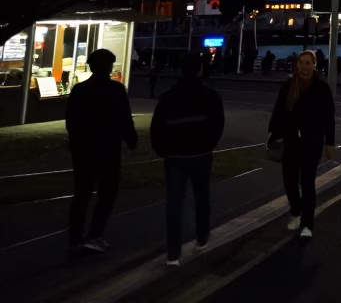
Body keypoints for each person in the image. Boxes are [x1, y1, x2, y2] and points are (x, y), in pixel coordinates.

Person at [151, 52, 225, 266]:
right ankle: (202, 239)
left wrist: (164, 150)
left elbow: (157, 128)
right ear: (200, 69)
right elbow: (218, 124)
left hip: (175, 156)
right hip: (201, 153)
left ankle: (173, 253)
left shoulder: (169, 97)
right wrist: (209, 144)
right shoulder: (210, 95)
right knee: (202, 197)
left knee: (174, 203)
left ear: (179, 70)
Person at [66, 49, 137, 254]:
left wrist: (76, 142)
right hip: (108, 148)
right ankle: (95, 234)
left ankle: (75, 237)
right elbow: (125, 117)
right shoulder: (116, 89)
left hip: (83, 150)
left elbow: (71, 120)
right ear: (109, 67)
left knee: (82, 194)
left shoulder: (79, 90)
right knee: (107, 193)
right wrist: (130, 139)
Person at [268, 49, 335, 239]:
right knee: (289, 182)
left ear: (314, 65)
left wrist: (329, 142)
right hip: (290, 140)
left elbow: (328, 117)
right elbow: (278, 110)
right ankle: (296, 212)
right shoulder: (289, 86)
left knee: (307, 182)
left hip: (311, 141)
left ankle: (307, 223)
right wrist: (274, 133)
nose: (304, 67)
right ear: (297, 65)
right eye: (301, 63)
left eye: (308, 63)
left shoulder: (321, 88)